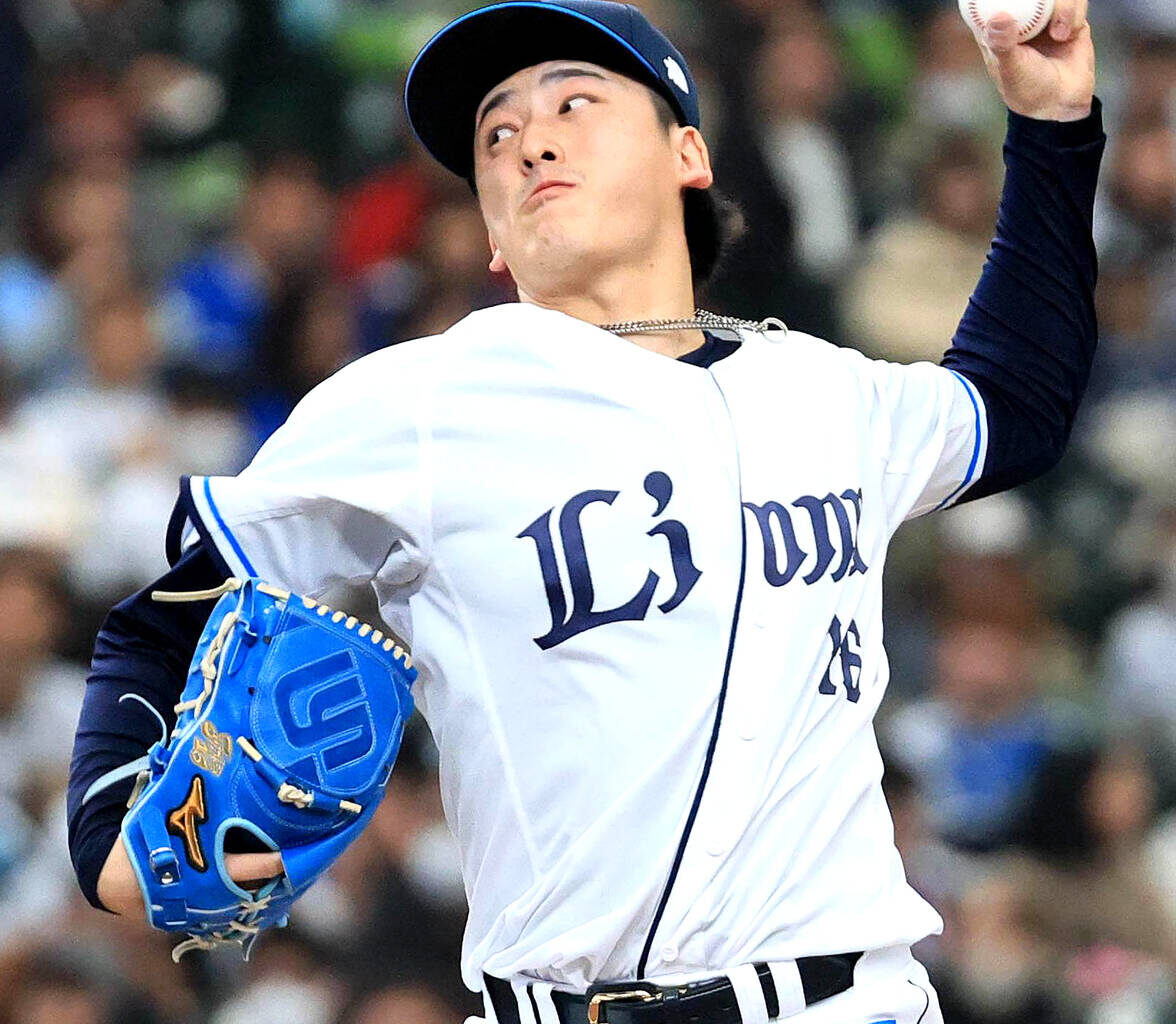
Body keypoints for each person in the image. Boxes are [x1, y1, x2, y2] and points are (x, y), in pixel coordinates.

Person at [68, 2, 1102, 1022]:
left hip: (846, 1000)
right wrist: (105, 829)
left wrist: (1052, 128)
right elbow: (165, 618)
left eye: (574, 103)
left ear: (688, 154)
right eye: (496, 136)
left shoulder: (824, 388)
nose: (531, 141)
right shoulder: (419, 403)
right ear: (490, 233)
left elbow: (1014, 406)